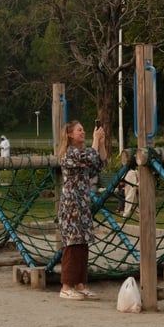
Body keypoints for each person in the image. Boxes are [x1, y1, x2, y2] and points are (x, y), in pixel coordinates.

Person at [57, 120, 107, 300]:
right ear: (70, 134)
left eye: (84, 129)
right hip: (71, 205)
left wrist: (100, 142)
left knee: (83, 243)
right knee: (72, 243)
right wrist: (95, 140)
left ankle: (79, 285)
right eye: (79, 130)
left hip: (82, 203)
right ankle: (65, 286)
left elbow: (100, 164)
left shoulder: (83, 152)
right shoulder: (70, 153)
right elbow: (90, 157)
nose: (83, 132)